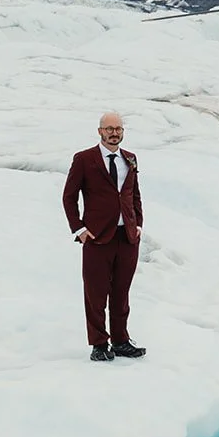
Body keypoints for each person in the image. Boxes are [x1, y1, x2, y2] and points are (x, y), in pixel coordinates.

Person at [62, 113, 146, 363]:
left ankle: (120, 341)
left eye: (118, 128)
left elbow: (134, 194)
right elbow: (69, 196)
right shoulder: (84, 159)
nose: (114, 133)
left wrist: (138, 224)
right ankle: (99, 344)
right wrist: (79, 229)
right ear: (100, 131)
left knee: (122, 292)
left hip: (127, 237)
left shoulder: (129, 159)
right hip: (97, 238)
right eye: (109, 128)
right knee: (96, 293)